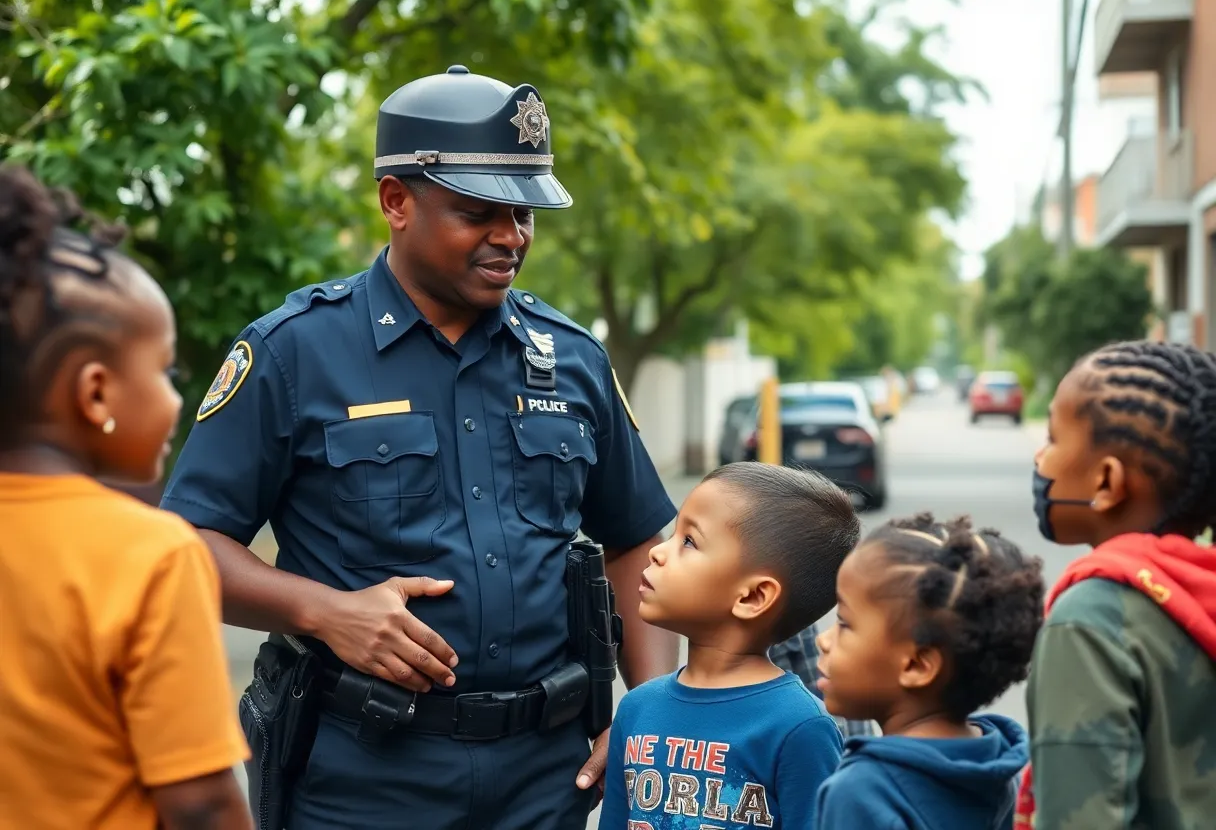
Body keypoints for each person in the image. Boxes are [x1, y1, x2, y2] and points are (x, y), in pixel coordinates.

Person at [159, 65, 679, 829]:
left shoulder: (570, 358)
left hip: (548, 779)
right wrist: (328, 612)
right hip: (362, 779)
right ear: (396, 201)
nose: (512, 237)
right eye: (479, 212)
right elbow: (185, 548)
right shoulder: (294, 353)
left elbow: (635, 540)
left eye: (526, 214)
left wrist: (647, 714)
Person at [0, 165, 252, 829]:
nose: (176, 396)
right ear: (96, 394)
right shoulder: (151, 554)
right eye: (165, 370)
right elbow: (200, 802)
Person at [1015, 340, 1216, 829]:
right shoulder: (1200, 589)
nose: (1041, 457)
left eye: (1054, 438)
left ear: (1107, 482)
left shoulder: (1091, 621)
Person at [598, 462, 858, 829]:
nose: (658, 553)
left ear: (753, 596)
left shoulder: (800, 728)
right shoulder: (636, 709)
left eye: (689, 541)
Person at [813, 513, 1043, 830]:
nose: (823, 640)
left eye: (844, 624)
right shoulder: (1002, 770)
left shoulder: (861, 792)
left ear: (917, 665)